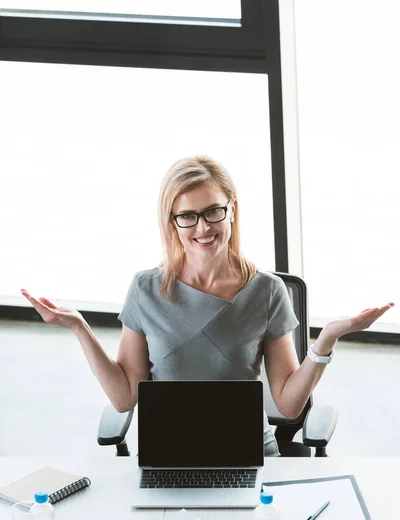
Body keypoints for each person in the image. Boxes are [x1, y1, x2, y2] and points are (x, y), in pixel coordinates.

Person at [21, 155, 394, 456]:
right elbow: (124, 398)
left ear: (232, 209)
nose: (203, 228)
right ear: (172, 222)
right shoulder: (145, 289)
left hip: (249, 453)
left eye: (214, 211)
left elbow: (289, 405)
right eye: (187, 216)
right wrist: (78, 328)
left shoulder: (267, 291)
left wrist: (326, 340)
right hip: (165, 454)